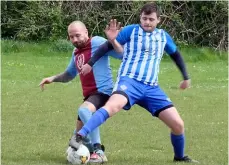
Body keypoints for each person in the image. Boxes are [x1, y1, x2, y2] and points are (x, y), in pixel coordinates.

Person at [69, 2, 199, 163]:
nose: (147, 22)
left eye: (151, 19)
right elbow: (107, 46)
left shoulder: (163, 36)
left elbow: (176, 55)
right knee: (112, 106)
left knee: (178, 124)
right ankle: (79, 136)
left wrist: (186, 77)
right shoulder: (131, 31)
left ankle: (179, 157)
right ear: (140, 18)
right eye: (144, 18)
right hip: (129, 82)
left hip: (151, 87)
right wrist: (91, 62)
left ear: (158, 20)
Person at [39, 21, 122, 163]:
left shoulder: (97, 42)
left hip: (103, 92)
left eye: (77, 35)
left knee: (84, 111)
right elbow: (69, 74)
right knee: (76, 137)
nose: (75, 40)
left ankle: (98, 150)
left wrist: (113, 40)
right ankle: (85, 150)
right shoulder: (76, 52)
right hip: (89, 96)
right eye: (71, 37)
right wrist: (52, 78)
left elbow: (120, 55)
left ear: (86, 32)